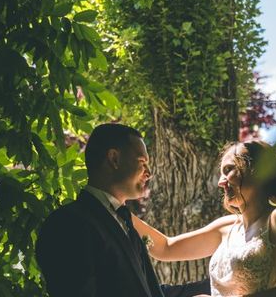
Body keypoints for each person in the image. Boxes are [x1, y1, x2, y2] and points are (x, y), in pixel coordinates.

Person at [35, 123, 210, 297]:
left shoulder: (124, 221)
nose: (149, 172)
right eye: (142, 162)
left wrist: (215, 287)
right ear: (114, 159)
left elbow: (147, 291)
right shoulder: (69, 223)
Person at [132, 140, 276, 297]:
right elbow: (166, 248)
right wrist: (118, 210)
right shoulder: (226, 227)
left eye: (229, 170)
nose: (220, 182)